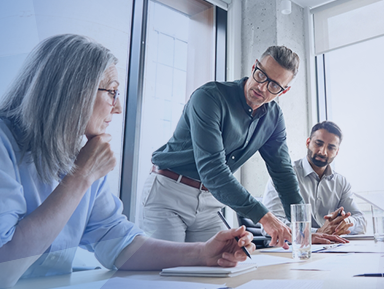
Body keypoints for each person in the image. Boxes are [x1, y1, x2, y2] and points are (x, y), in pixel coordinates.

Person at [0, 34, 255, 288]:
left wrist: (202, 253)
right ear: (74, 92)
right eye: (112, 92)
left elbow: (117, 241)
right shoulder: (6, 146)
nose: (118, 107)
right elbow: (4, 268)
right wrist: (80, 177)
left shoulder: (79, 154)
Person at [143, 46, 304, 247]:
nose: (262, 87)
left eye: (274, 86)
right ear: (254, 66)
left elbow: (283, 172)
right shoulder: (209, 97)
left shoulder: (274, 117)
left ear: (284, 90)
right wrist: (264, 216)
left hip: (209, 204)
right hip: (169, 194)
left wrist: (303, 229)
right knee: (165, 273)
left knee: (226, 268)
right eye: (261, 75)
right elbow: (213, 170)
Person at [262, 121, 366, 244]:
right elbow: (271, 223)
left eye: (331, 147)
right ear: (308, 143)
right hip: (292, 249)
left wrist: (347, 223)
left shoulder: (341, 182)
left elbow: (361, 222)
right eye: (318, 143)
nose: (323, 152)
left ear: (337, 152)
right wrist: (316, 233)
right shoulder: (283, 175)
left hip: (329, 249)